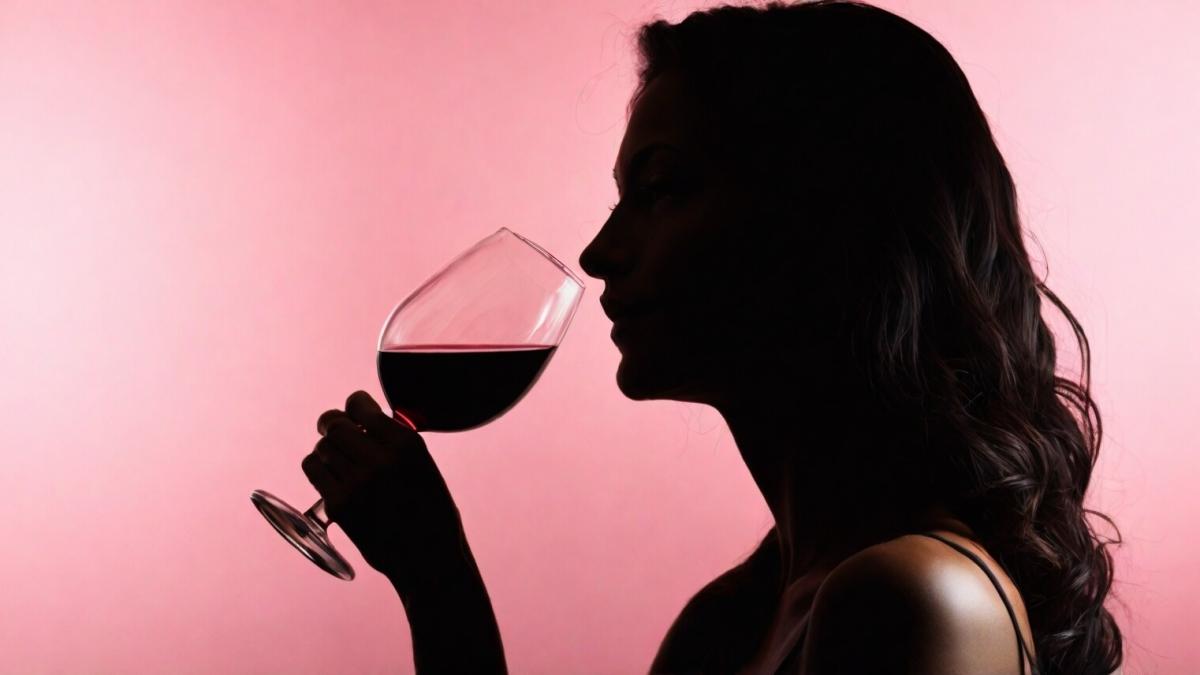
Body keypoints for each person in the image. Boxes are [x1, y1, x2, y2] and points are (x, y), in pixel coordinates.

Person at [299, 1, 1124, 673]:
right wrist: (437, 581)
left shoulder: (914, 600)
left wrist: (443, 587)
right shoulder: (732, 620)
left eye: (661, 189)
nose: (598, 252)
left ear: (821, 224)